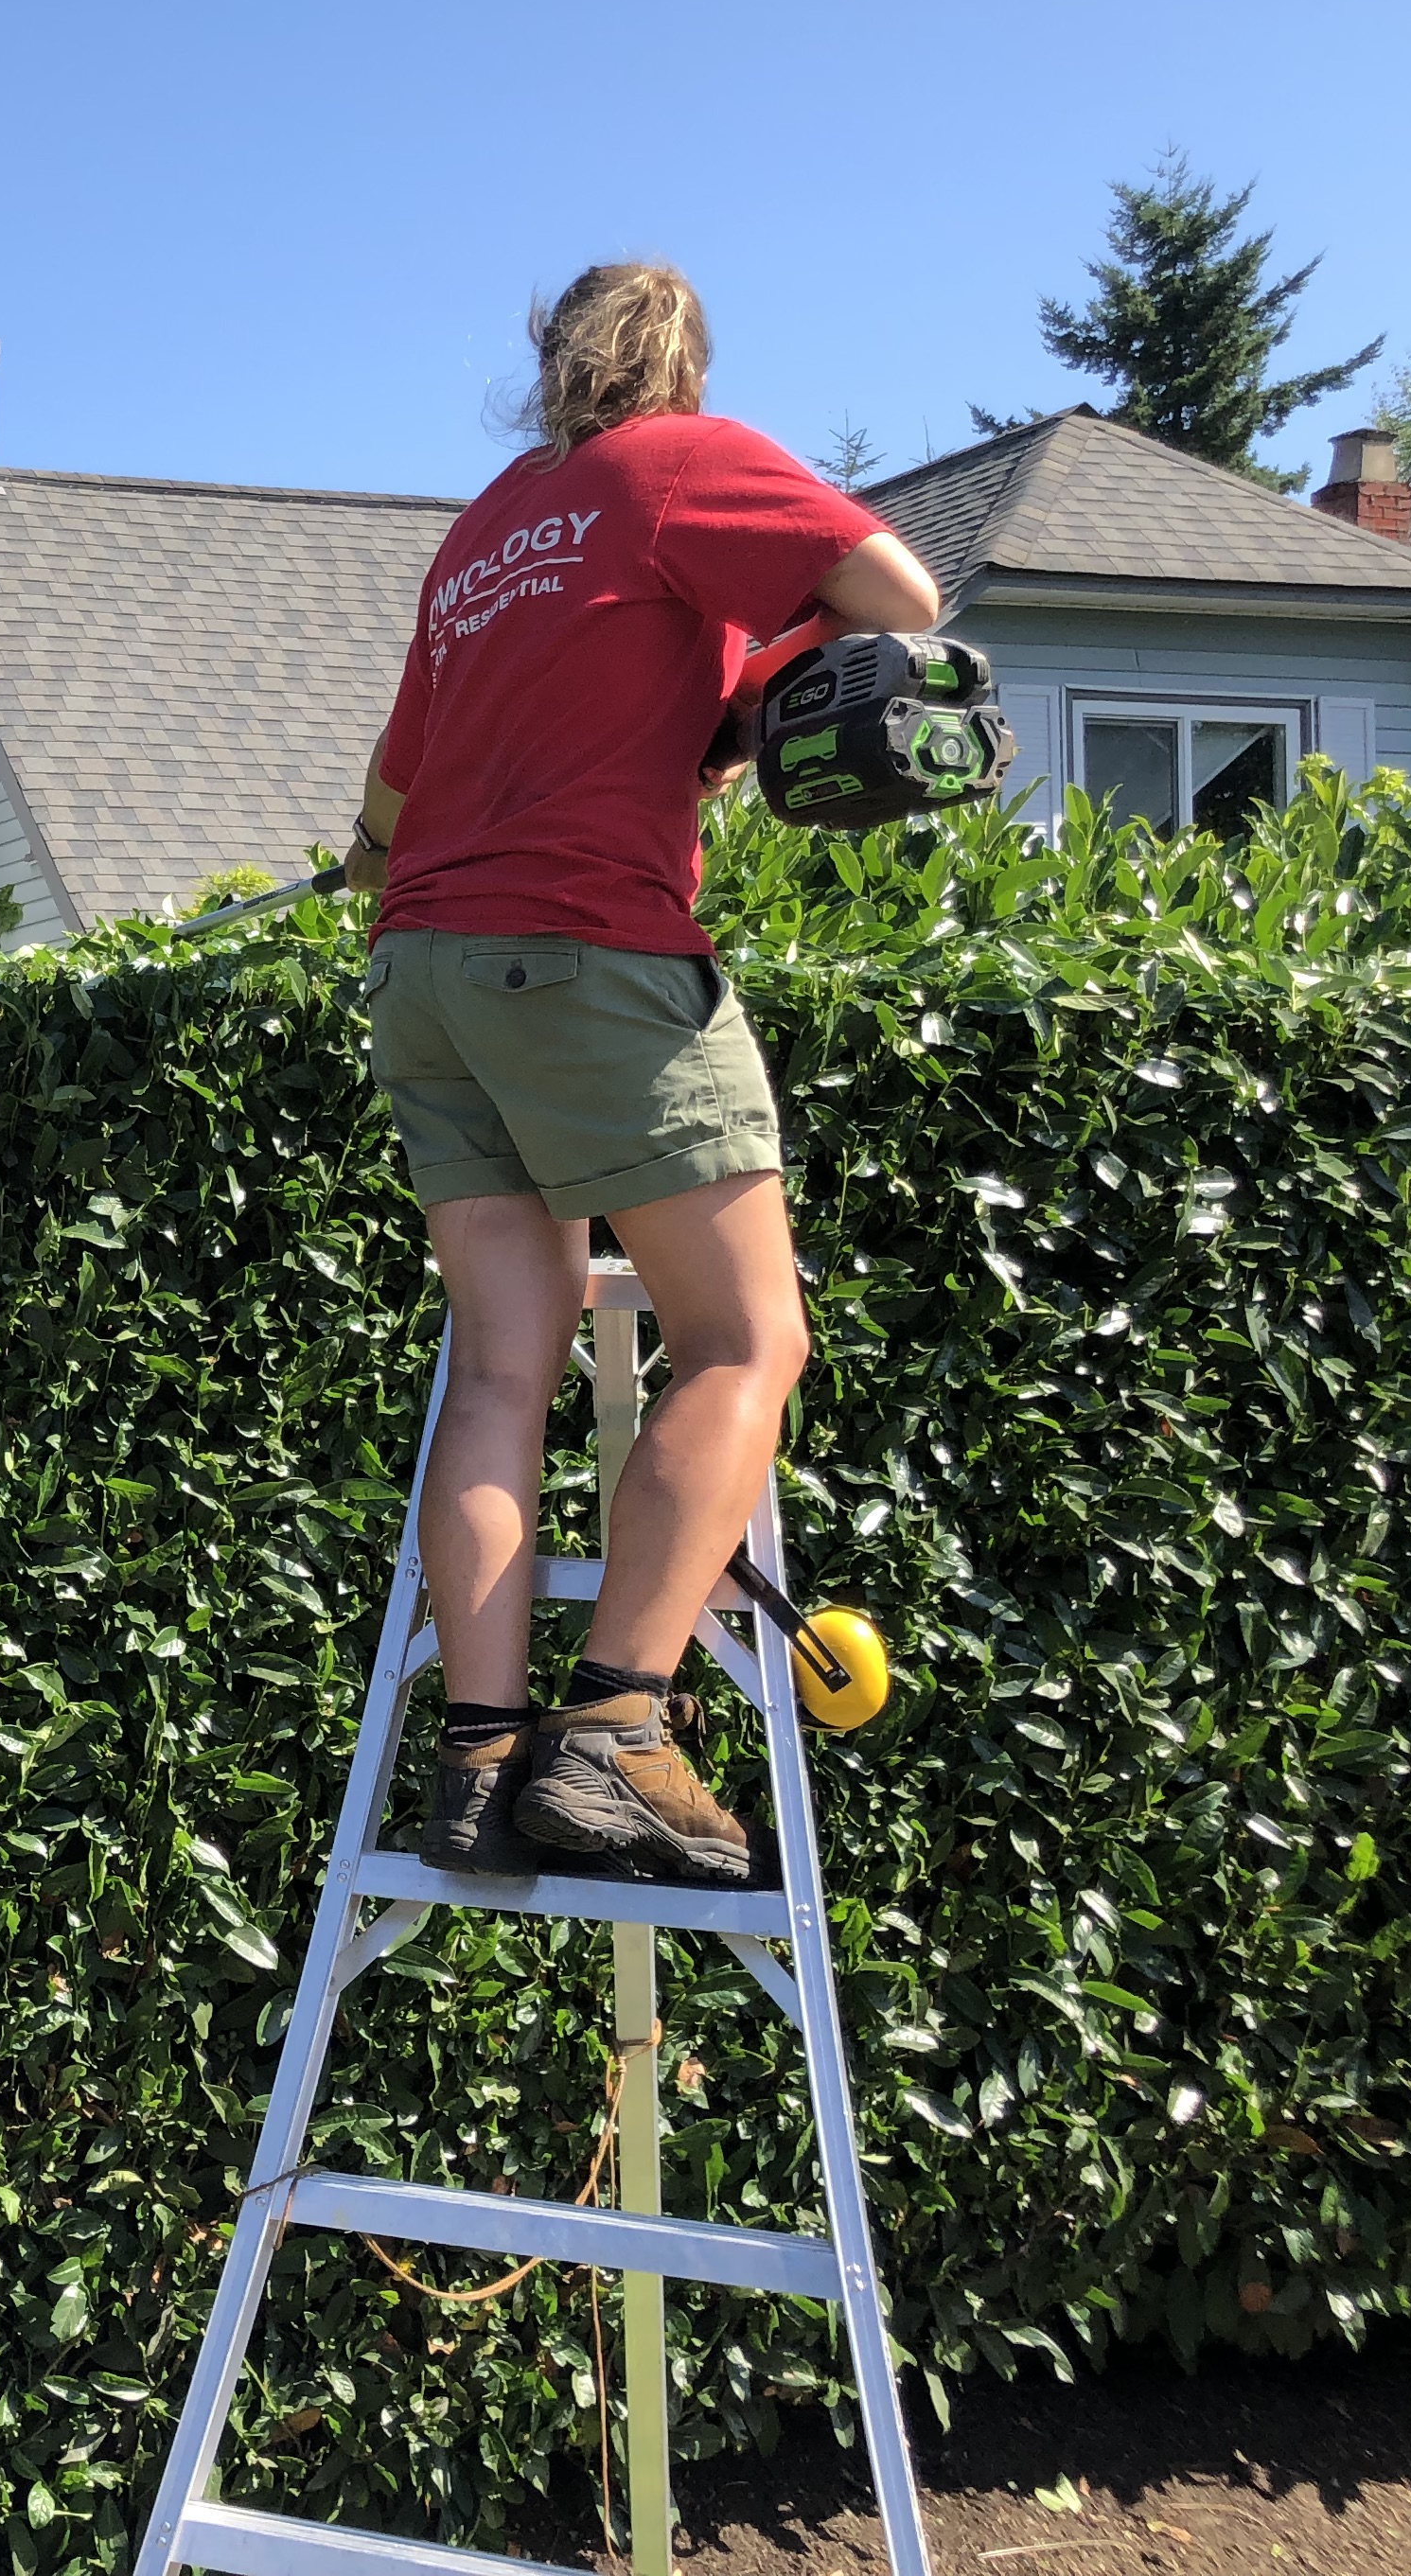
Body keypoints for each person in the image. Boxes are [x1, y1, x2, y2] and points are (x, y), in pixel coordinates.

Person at [337, 262, 941, 1885]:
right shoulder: (683, 460)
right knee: (749, 1337)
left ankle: (476, 1764)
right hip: (587, 949)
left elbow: (389, 796)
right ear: (679, 365)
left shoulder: (482, 533)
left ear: (551, 363)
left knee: (500, 1372)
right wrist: (781, 675)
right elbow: (904, 590)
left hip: (424, 964)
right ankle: (613, 1734)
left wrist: (720, 714)